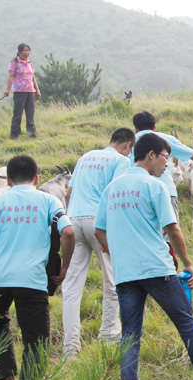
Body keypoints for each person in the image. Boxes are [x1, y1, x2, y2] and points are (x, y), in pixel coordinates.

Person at [94, 133, 193, 380]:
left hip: (125, 273)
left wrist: (117, 250)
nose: (168, 164)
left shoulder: (112, 188)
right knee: (187, 324)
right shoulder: (155, 186)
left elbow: (99, 231)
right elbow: (172, 229)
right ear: (151, 155)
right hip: (157, 269)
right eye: (165, 157)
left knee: (129, 335)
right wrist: (188, 263)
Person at [0, 155, 75, 380]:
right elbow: (67, 232)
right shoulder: (48, 200)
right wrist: (64, 267)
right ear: (37, 178)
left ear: (9, 180)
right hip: (32, 280)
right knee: (35, 336)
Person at [61, 128, 135, 358]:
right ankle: (109, 336)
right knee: (112, 281)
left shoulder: (85, 157)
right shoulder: (121, 160)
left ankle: (70, 348)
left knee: (71, 287)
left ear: (110, 140)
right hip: (99, 222)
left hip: (73, 220)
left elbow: (68, 192)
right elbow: (115, 195)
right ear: (128, 145)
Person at [131, 111, 193, 227]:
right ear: (155, 127)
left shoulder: (128, 143)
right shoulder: (164, 139)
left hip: (136, 193)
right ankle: (172, 246)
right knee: (170, 229)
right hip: (166, 191)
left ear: (135, 128)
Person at [4, 43, 41, 139]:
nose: (26, 53)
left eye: (28, 51)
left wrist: (37, 90)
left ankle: (32, 134)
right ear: (20, 51)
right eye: (24, 51)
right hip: (19, 92)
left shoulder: (30, 63)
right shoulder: (15, 62)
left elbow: (33, 78)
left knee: (30, 114)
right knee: (18, 114)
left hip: (30, 92)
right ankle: (14, 135)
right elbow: (11, 76)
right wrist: (8, 90)